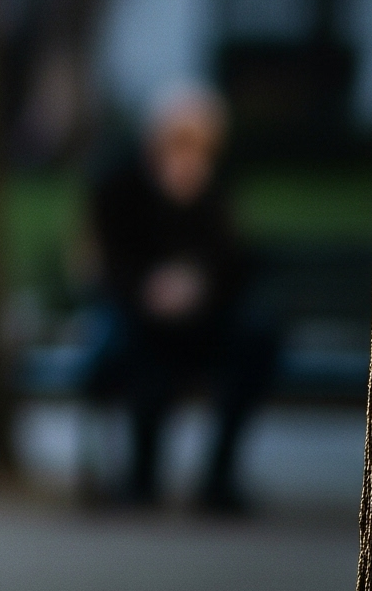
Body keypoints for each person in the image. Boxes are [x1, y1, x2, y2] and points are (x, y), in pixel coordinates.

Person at [84, 82, 280, 513]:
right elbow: (105, 262)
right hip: (140, 312)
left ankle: (219, 479)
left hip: (207, 317)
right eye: (176, 140)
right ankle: (142, 478)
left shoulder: (219, 186)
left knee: (256, 339)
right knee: (139, 352)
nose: (186, 151)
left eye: (199, 143)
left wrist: (198, 284)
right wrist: (149, 288)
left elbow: (237, 263)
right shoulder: (118, 183)